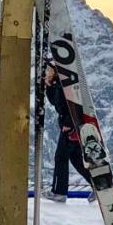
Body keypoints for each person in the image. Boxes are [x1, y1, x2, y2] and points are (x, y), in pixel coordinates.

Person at [42, 63, 93, 202]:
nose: (47, 72)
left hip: (70, 126)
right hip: (72, 125)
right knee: (75, 157)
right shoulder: (60, 83)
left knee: (61, 157)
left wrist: (68, 124)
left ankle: (59, 192)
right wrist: (49, 85)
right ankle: (97, 185)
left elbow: (73, 104)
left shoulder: (66, 85)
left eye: (49, 70)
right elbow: (55, 102)